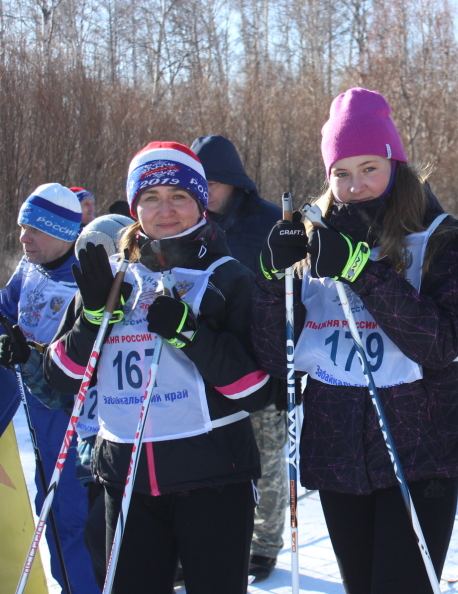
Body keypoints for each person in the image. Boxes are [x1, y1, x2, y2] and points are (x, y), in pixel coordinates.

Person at [252, 87, 458, 594]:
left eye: (369, 168)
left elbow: (440, 342)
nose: (355, 185)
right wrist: (272, 278)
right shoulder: (311, 237)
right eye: (341, 173)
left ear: (394, 164)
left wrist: (362, 270)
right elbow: (276, 355)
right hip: (338, 455)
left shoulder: (437, 236)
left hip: (421, 455)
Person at [43, 142, 284, 594]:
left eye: (179, 196)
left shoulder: (228, 277)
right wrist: (92, 320)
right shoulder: (110, 280)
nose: (165, 209)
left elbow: (258, 390)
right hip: (125, 479)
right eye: (151, 197)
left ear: (200, 203)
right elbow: (61, 378)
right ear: (135, 207)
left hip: (213, 479)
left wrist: (191, 336)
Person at [1, 214, 134, 588]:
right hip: (89, 455)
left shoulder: (149, 305)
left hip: (143, 458)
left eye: (109, 260)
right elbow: (59, 388)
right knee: (78, 533)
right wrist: (25, 357)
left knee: (122, 553)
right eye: (89, 261)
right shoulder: (83, 310)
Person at [190, 134, 286, 582]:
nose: (204, 193)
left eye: (211, 182)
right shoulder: (188, 226)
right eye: (198, 183)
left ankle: (264, 545)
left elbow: (296, 295)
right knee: (209, 457)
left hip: (261, 360)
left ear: (232, 181)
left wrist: (288, 369)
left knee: (267, 457)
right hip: (204, 362)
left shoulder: (269, 222)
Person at [0, 183, 99, 593]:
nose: (24, 238)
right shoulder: (30, 268)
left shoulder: (81, 279)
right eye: (23, 228)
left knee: (72, 517)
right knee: (51, 512)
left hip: (72, 417)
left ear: (62, 232)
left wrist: (29, 352)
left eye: (34, 230)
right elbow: (5, 308)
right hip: (38, 419)